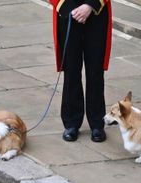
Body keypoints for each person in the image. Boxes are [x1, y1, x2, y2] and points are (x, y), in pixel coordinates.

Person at [49, 0, 112, 142]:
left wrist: (90, 5)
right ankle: (71, 122)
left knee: (95, 71)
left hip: (97, 13)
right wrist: (70, 9)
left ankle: (97, 123)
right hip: (67, 11)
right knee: (71, 71)